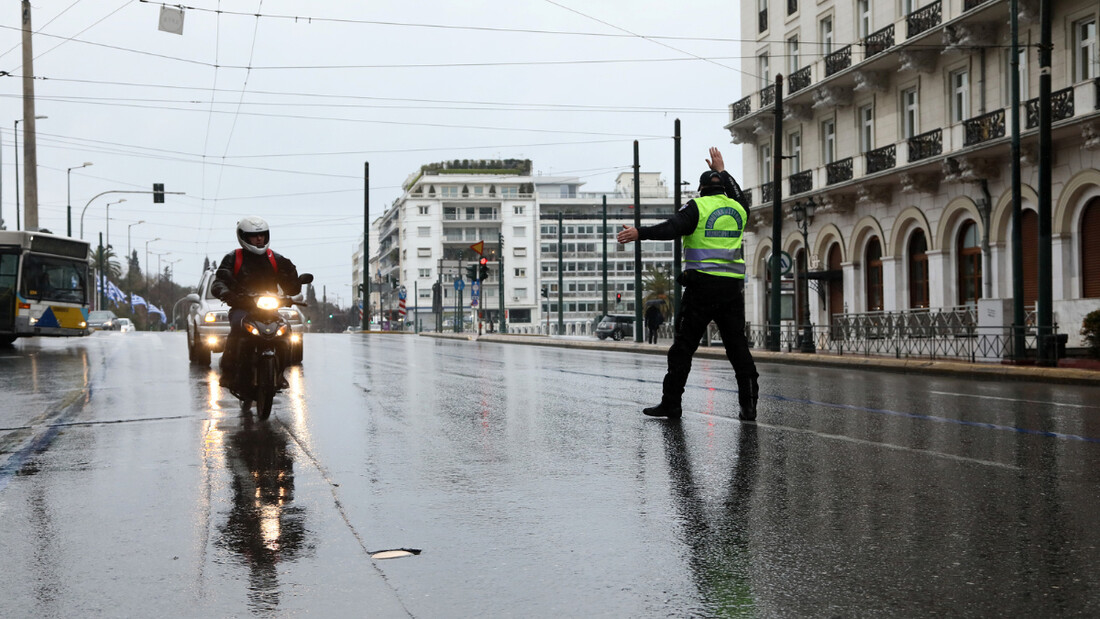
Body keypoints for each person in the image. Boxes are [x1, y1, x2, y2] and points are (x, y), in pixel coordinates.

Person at [617, 147, 759, 421]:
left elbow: (671, 228)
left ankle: (671, 403)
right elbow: (739, 193)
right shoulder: (740, 209)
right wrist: (723, 170)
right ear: (723, 189)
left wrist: (639, 233)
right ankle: (749, 406)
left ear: (701, 189)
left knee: (683, 348)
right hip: (731, 290)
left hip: (701, 289)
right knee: (738, 348)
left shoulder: (698, 207)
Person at [211, 216, 303, 394]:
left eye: (262, 235)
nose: (259, 239)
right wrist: (227, 293)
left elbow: (291, 286)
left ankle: (279, 374)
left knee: (286, 330)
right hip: (242, 307)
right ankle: (229, 372)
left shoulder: (275, 258)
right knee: (237, 327)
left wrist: (294, 277)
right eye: (254, 236)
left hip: (269, 308)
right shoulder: (233, 258)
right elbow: (219, 281)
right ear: (244, 237)